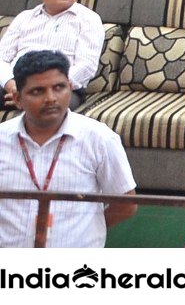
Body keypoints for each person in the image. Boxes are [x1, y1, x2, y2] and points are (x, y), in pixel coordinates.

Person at [0, 49, 137, 247]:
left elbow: (126, 205)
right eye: (37, 91)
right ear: (18, 99)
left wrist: (87, 235)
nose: (50, 98)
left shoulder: (99, 139)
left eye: (59, 88)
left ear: (70, 88)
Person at [0, 0, 105, 109]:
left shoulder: (88, 19)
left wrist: (42, 88)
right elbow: (2, 58)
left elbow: (87, 65)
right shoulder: (24, 17)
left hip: (61, 88)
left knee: (51, 106)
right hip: (16, 85)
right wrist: (12, 85)